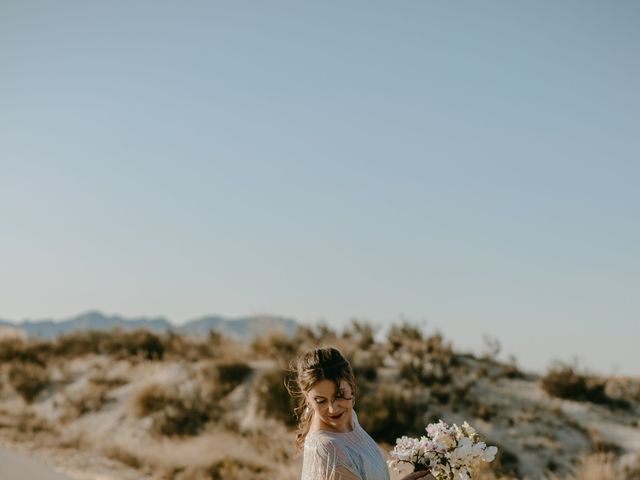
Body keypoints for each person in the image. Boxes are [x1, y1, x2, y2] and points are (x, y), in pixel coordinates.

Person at [289, 347, 432, 480]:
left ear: (351, 384)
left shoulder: (350, 419)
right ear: (307, 398)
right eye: (320, 400)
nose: (333, 409)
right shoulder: (325, 448)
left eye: (339, 394)